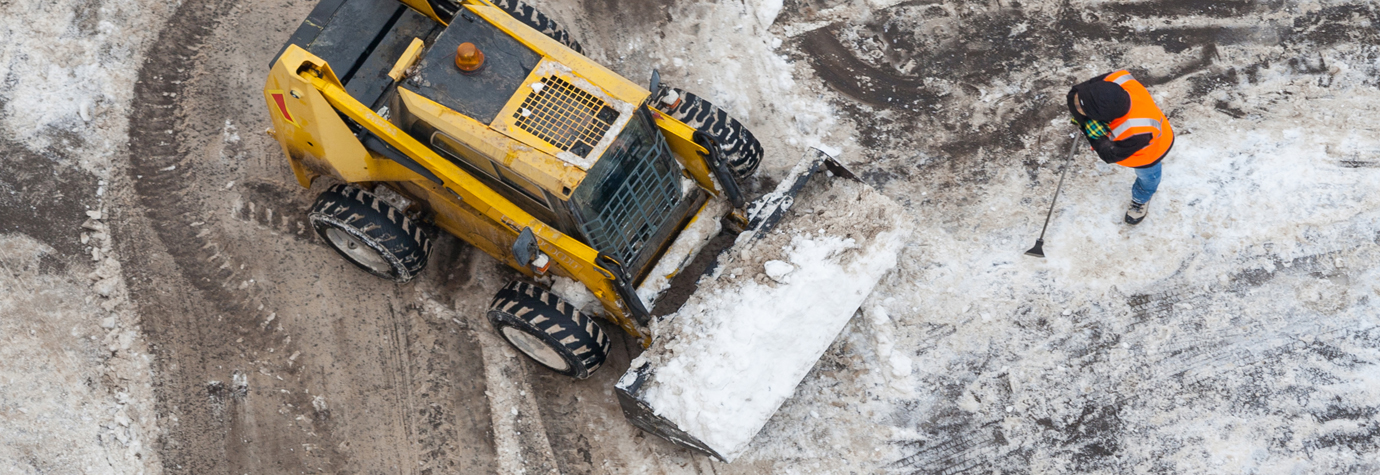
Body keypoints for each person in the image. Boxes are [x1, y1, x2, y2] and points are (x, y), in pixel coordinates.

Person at [1066, 70, 1175, 225]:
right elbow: (1075, 92)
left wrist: (1085, 126)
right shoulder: (1119, 80)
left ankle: (1141, 198)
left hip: (1149, 152)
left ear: (1102, 117)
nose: (1075, 104)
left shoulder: (1136, 132)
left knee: (1148, 178)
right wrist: (1082, 114)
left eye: (1083, 109)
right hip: (1144, 129)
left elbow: (1109, 154)